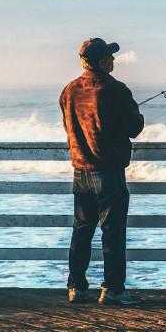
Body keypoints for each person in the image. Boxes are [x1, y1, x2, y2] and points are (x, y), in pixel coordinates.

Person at [59, 38, 145, 305]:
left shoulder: (69, 90)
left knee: (81, 230)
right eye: (110, 56)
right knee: (113, 232)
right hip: (108, 172)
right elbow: (134, 127)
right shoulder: (115, 89)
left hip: (80, 172)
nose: (114, 60)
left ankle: (76, 287)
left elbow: (70, 126)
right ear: (102, 61)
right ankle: (112, 290)